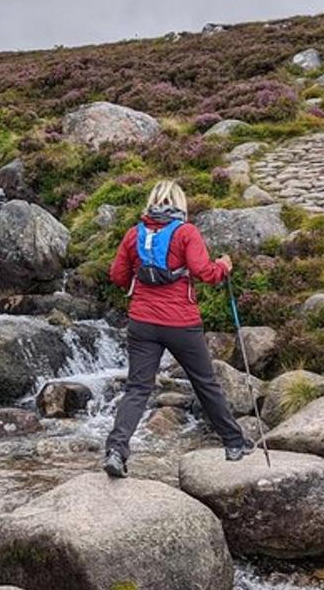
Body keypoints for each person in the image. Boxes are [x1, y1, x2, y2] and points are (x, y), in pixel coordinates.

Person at [102, 180, 254, 478]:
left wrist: (139, 286)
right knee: (204, 382)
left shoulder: (134, 234)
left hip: (142, 322)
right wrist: (224, 266)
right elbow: (205, 273)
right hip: (181, 323)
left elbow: (117, 275)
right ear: (180, 204)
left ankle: (116, 451)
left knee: (137, 388)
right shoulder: (186, 233)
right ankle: (234, 443)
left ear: (151, 202)